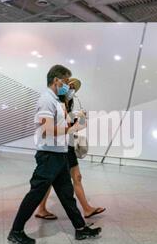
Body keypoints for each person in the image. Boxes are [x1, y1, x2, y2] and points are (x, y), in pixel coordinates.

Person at [7, 65, 102, 244]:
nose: (68, 86)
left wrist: (77, 118)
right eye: (66, 82)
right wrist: (71, 128)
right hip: (48, 156)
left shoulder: (57, 101)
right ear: (56, 80)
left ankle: (81, 229)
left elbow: (62, 125)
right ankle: (16, 231)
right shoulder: (46, 100)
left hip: (60, 155)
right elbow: (46, 130)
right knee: (35, 194)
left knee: (67, 195)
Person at [35, 78, 106, 220]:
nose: (72, 90)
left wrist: (81, 118)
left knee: (75, 177)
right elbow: (58, 125)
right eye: (70, 86)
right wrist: (74, 117)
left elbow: (74, 126)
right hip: (56, 147)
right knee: (49, 181)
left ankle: (86, 209)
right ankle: (41, 209)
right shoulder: (54, 102)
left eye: (74, 88)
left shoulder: (68, 103)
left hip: (67, 145)